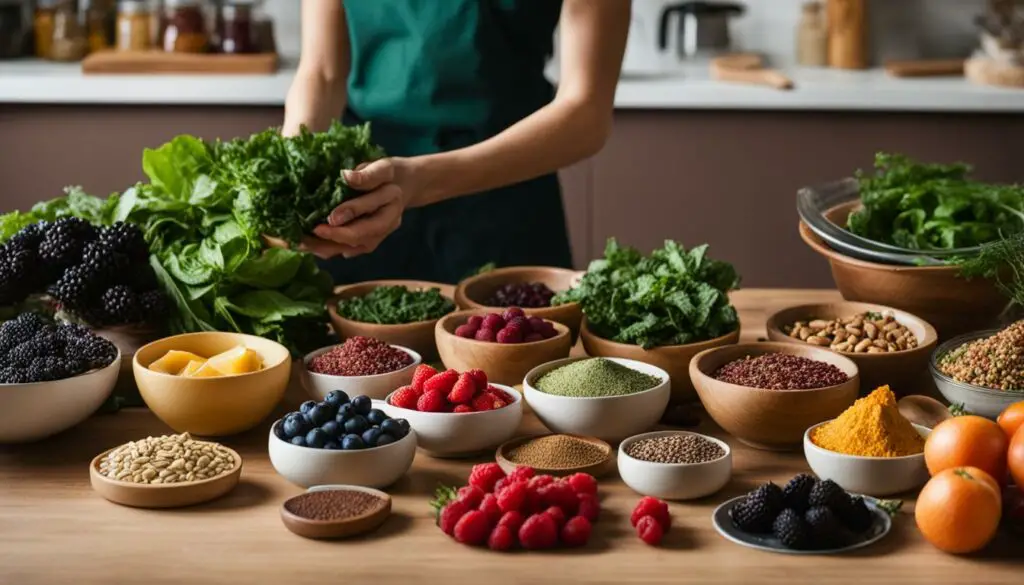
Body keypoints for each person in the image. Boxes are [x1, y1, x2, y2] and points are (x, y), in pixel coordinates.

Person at [282, 0, 629, 284]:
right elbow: (322, 73)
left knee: (507, 362)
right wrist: (290, 173)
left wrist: (419, 180)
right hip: (361, 198)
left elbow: (586, 113)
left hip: (503, 197)